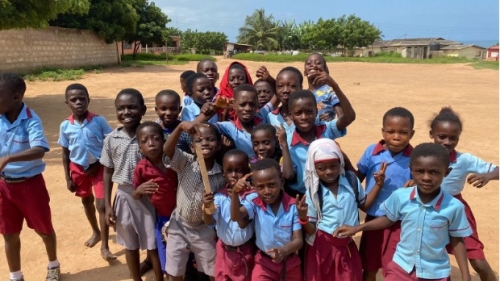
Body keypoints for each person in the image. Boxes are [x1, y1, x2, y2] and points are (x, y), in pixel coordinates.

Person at [335, 143, 473, 281]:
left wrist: (466, 276)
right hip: (401, 267)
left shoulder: (454, 207)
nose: (426, 177)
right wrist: (358, 227)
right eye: (419, 171)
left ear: (446, 172)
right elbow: (389, 218)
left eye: (434, 172)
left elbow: (457, 239)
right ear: (411, 170)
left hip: (435, 272)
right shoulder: (401, 196)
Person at [0, 73, 60, 281]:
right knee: (9, 233)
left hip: (30, 186)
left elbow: (40, 148)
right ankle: (16, 276)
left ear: (16, 98)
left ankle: (53, 265)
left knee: (44, 229)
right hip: (4, 186)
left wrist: (8, 158)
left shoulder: (31, 120)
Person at [298, 139, 385, 281]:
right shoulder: (313, 192)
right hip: (322, 247)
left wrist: (378, 185)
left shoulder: (351, 181)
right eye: (321, 168)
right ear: (314, 168)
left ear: (341, 163)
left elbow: (364, 206)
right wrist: (303, 218)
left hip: (346, 245)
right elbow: (312, 230)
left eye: (334, 166)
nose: (329, 171)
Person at [429, 107, 498, 281]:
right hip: (427, 210)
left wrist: (488, 175)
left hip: (457, 212)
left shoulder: (464, 160)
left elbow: (497, 170)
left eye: (453, 138)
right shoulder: (422, 155)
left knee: (479, 263)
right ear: (432, 134)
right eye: (441, 136)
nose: (447, 142)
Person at [100, 89, 159, 281]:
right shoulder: (111, 139)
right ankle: (136, 278)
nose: (126, 112)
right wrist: (108, 205)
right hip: (124, 196)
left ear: (143, 110)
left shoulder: (150, 135)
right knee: (130, 244)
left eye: (132, 107)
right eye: (121, 108)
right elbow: (107, 171)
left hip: (150, 197)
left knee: (154, 243)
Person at [355, 107, 415, 281]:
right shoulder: (372, 152)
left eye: (403, 132)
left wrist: (414, 184)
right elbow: (358, 177)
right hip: (374, 218)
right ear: (383, 131)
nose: (396, 137)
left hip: (401, 221)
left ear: (412, 133)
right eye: (391, 131)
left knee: (395, 268)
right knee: (370, 266)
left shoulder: (415, 158)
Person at [163, 121, 226, 281]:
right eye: (198, 140)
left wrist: (208, 204)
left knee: (213, 270)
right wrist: (179, 127)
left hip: (204, 229)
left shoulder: (221, 175)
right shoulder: (186, 162)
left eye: (210, 139)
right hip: (179, 225)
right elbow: (167, 150)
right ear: (192, 147)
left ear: (218, 145)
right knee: (174, 271)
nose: (204, 143)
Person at [57, 83, 114, 259]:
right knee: (86, 202)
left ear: (88, 100)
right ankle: (96, 231)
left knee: (102, 205)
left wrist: (98, 164)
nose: (79, 102)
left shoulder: (99, 121)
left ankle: (104, 246)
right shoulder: (65, 126)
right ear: (67, 103)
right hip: (78, 169)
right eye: (74, 100)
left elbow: (110, 144)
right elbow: (65, 152)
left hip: (99, 168)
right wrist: (67, 177)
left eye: (82, 98)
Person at [230, 159, 303, 281]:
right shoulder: (255, 203)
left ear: (281, 181)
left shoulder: (293, 206)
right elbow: (235, 217)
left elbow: (298, 240)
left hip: (290, 264)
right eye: (260, 187)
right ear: (254, 186)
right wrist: (234, 193)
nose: (267, 191)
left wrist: (284, 251)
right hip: (264, 264)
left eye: (272, 185)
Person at [286, 87, 355, 197]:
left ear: (316, 111)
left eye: (309, 112)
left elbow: (349, 117)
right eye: (298, 113)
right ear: (290, 115)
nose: (304, 117)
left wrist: (334, 85)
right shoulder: (287, 141)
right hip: (300, 196)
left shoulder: (326, 130)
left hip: (327, 195)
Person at [202, 149, 257, 281]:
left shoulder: (252, 196)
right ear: (223, 173)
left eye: (239, 170)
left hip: (245, 251)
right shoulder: (219, 196)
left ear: (247, 172)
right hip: (224, 251)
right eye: (229, 170)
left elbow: (241, 222)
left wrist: (235, 195)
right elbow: (210, 222)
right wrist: (206, 208)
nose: (234, 175)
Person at [132, 121, 177, 278]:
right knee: (167, 261)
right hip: (163, 220)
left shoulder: (174, 161)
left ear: (164, 141)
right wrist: (139, 190)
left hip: (183, 217)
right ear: (140, 148)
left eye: (155, 138)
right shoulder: (141, 168)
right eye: (144, 141)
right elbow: (135, 194)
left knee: (187, 259)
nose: (151, 144)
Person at [197, 84, 277, 158]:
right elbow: (197, 127)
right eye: (242, 105)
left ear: (257, 105)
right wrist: (216, 108)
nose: (247, 109)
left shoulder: (261, 116)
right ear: (234, 105)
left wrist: (268, 78)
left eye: (252, 104)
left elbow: (277, 96)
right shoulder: (229, 127)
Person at [304, 53, 342, 121]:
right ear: (305, 72)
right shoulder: (303, 94)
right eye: (309, 63)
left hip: (326, 130)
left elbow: (342, 117)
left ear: (326, 70)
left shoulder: (330, 91)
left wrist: (331, 119)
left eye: (318, 63)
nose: (313, 65)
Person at [265, 67, 303, 131]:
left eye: (292, 86)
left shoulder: (308, 116)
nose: (285, 90)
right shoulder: (270, 117)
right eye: (280, 86)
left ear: (301, 88)